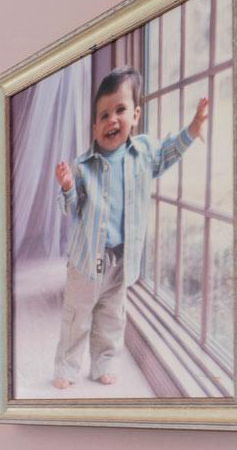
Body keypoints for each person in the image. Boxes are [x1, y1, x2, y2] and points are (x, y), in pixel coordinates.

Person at [51, 67, 208, 388]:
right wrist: (67, 186)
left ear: (135, 115)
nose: (112, 120)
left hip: (121, 258)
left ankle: (104, 363)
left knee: (112, 315)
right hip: (86, 259)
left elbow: (168, 153)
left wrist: (191, 130)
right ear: (94, 127)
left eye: (120, 110)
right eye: (103, 115)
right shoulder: (83, 166)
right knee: (77, 316)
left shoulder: (144, 154)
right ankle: (66, 368)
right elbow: (69, 207)